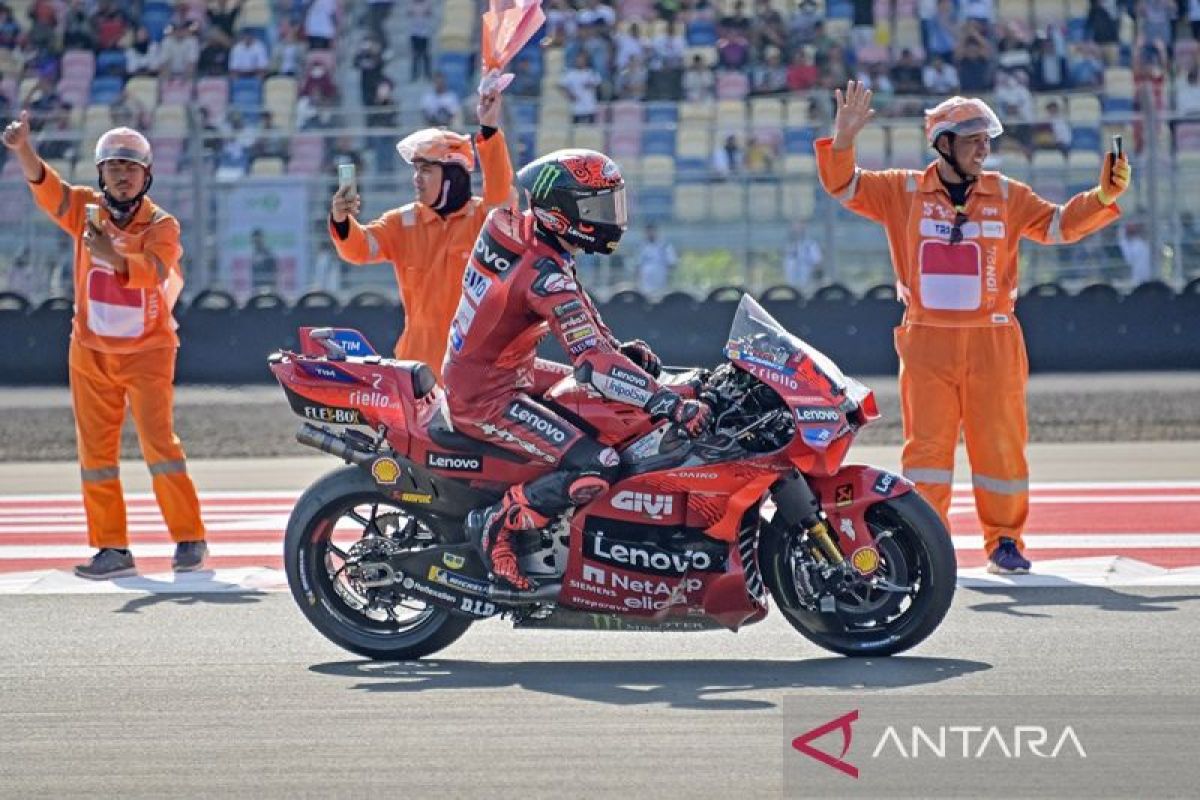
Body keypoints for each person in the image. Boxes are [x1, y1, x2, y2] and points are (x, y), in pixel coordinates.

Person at [815, 81, 1129, 574]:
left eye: (988, 139)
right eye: (974, 139)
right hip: (926, 342)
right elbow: (842, 185)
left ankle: (1004, 541)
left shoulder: (1007, 194)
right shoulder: (902, 190)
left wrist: (1103, 195)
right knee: (927, 453)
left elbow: (1059, 225)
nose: (985, 148)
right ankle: (926, 541)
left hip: (995, 341)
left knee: (1001, 444)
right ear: (944, 144)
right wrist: (844, 139)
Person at [445, 149, 713, 590]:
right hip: (486, 396)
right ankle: (496, 525)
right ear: (559, 211)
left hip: (503, 369)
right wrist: (665, 400)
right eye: (594, 207)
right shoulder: (543, 274)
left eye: (611, 204)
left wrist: (617, 350)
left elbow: (583, 322)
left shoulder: (518, 229)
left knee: (608, 412)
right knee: (599, 461)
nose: (610, 219)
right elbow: (591, 363)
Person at [2, 113, 208, 578]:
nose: (121, 174)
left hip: (149, 351)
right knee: (96, 455)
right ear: (100, 173)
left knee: (159, 444)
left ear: (146, 175)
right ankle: (112, 548)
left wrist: (112, 254)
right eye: (113, 166)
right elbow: (47, 189)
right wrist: (23, 150)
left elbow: (154, 273)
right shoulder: (85, 209)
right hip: (90, 351)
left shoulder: (162, 224)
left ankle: (190, 537)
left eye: (130, 167)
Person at [327, 89, 514, 380]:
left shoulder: (484, 219)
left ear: (453, 175)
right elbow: (359, 249)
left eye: (426, 170)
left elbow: (501, 192)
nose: (416, 178)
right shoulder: (401, 223)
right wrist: (340, 219)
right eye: (416, 170)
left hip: (473, 371)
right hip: (415, 370)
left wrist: (489, 129)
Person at [637, 221, 678, 296]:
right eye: (647, 232)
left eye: (651, 231)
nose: (650, 233)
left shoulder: (665, 246)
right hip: (646, 284)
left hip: (661, 282)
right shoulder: (642, 247)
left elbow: (672, 263)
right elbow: (638, 265)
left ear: (656, 232)